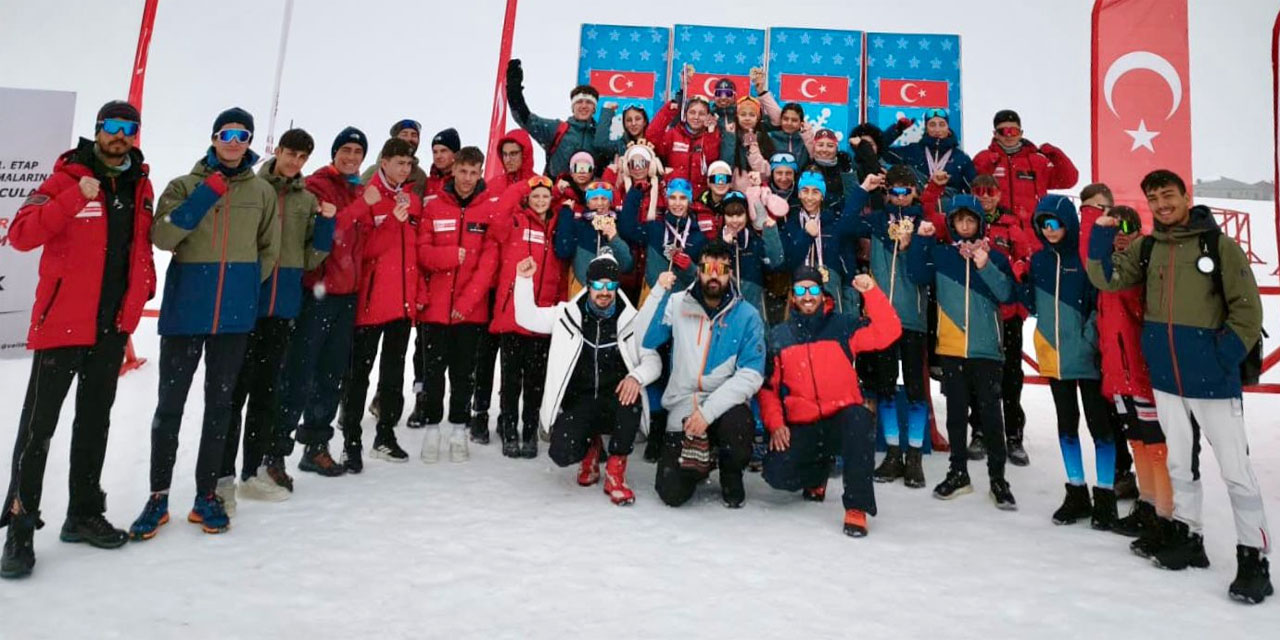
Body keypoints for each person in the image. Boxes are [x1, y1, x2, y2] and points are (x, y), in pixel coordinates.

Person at [1086, 169, 1272, 604]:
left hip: (1213, 383)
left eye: (1168, 195)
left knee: (1235, 471)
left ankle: (1253, 557)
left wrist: (1219, 357)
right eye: (1154, 198)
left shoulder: (1218, 246)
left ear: (1185, 196)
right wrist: (1100, 237)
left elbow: (1248, 312)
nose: (1162, 204)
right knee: (1179, 468)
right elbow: (1108, 279)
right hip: (1167, 382)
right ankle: (1190, 538)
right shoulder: (1149, 247)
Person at [1, 101, 155, 579]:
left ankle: (83, 513)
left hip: (109, 331)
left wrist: (134, 306)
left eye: (128, 128)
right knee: (37, 431)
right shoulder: (64, 178)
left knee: (94, 424)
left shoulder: (139, 185)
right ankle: (20, 531)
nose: (120, 136)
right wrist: (72, 198)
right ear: (97, 131)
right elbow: (21, 235)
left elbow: (140, 251)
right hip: (62, 325)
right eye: (112, 127)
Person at [129, 107, 280, 539]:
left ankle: (205, 495)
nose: (234, 142)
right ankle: (157, 497)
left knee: (220, 407)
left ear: (249, 141)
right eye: (227, 133)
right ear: (214, 138)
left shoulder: (262, 192)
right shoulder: (184, 186)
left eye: (242, 135)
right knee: (170, 408)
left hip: (233, 319)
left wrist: (246, 284)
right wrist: (206, 194)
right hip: (185, 314)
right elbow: (163, 236)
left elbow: (269, 248)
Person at [222, 128, 333, 503]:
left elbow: (310, 257)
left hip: (283, 309)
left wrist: (325, 228)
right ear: (278, 151)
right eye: (291, 154)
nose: (295, 163)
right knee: (235, 396)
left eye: (303, 158)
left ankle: (252, 472)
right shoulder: (254, 189)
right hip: (247, 308)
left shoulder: (306, 199)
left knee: (266, 396)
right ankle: (222, 476)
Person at [760, 267, 901, 537]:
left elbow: (889, 331)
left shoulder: (842, 326)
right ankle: (817, 475)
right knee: (776, 473)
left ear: (822, 293)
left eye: (812, 289)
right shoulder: (779, 335)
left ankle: (857, 508)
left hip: (842, 419)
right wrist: (776, 424)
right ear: (792, 296)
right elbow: (769, 389)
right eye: (800, 290)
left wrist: (871, 292)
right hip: (805, 424)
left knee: (860, 418)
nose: (807, 296)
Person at [515, 251, 662, 504]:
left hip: (616, 399)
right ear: (588, 284)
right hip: (580, 400)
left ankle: (616, 472)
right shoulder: (566, 315)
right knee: (561, 454)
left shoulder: (631, 320)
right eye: (598, 285)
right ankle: (591, 450)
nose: (604, 292)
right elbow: (526, 318)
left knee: (630, 399)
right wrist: (524, 280)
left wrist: (635, 377)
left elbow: (653, 361)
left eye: (610, 285)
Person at [906, 196, 1017, 510]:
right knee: (956, 415)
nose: (965, 227)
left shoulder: (995, 256)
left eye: (971, 221)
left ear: (980, 223)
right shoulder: (943, 255)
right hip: (952, 349)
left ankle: (998, 478)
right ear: (952, 224)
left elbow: (1008, 294)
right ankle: (958, 472)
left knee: (992, 417)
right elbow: (916, 274)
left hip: (986, 351)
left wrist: (985, 267)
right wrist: (921, 241)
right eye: (959, 221)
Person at [839, 168, 944, 488]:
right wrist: (862, 188)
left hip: (912, 320)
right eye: (894, 192)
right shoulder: (877, 220)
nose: (899, 197)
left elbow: (925, 277)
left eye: (905, 191)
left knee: (914, 389)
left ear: (914, 191)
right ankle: (893, 452)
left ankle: (913, 455)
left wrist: (915, 243)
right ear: (886, 194)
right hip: (880, 320)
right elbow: (845, 225)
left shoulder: (925, 222)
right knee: (884, 388)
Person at [642, 240, 766, 508]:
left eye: (721, 268)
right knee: (671, 493)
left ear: (730, 272)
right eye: (708, 267)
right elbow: (647, 339)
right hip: (683, 403)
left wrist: (707, 413)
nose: (714, 274)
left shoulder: (747, 315)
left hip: (724, 404)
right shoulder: (677, 303)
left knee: (738, 427)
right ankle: (701, 460)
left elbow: (751, 375)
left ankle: (731, 473)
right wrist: (658, 293)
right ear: (698, 270)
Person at [1080, 203, 1173, 554]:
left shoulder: (1141, 267)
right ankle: (1148, 507)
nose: (1121, 239)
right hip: (1119, 372)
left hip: (1142, 371)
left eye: (1127, 231)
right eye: (1114, 233)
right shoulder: (1111, 269)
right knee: (1137, 441)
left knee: (1156, 446)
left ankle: (1166, 516)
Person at [279, 126, 371, 477]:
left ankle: (316, 445)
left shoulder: (357, 188)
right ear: (334, 153)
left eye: (357, 152)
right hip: (318, 293)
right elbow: (330, 234)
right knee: (300, 371)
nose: (351, 157)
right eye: (345, 150)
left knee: (331, 374)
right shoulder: (318, 186)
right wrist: (363, 206)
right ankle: (276, 449)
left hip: (346, 296)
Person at [1023, 195, 1117, 530]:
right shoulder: (1039, 261)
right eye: (1043, 224)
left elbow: (1099, 304)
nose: (1049, 231)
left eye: (1055, 224)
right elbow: (1030, 304)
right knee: (1066, 426)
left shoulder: (1084, 257)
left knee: (1100, 428)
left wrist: (1088, 339)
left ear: (1069, 223)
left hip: (1087, 358)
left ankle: (1105, 497)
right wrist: (1019, 278)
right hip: (1054, 357)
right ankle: (1076, 491)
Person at [337, 138, 422, 469]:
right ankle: (351, 441)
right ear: (383, 162)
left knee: (393, 375)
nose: (404, 169)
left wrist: (416, 296)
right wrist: (390, 224)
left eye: (408, 164)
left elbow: (412, 250)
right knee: (359, 374)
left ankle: (385, 436)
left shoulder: (411, 199)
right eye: (398, 162)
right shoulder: (368, 196)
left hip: (401, 304)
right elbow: (363, 250)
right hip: (371, 304)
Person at [415, 146, 501, 461]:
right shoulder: (434, 205)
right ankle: (433, 430)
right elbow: (421, 252)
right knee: (434, 372)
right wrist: (449, 257)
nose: (467, 179)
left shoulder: (488, 208)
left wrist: (466, 303)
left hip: (470, 310)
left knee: (464, 374)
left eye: (473, 172)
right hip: (435, 309)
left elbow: (489, 263)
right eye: (462, 171)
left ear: (480, 174)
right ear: (453, 171)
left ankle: (458, 430)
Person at [951, 173, 1035, 466]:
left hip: (1007, 316)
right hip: (976, 312)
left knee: (1011, 376)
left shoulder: (1012, 226)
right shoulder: (963, 227)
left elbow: (1025, 265)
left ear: (999, 194)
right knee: (977, 376)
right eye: (979, 191)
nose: (986, 197)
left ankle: (1013, 434)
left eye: (991, 192)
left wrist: (1018, 301)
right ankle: (980, 431)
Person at [464, 129, 536, 444]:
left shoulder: (536, 184)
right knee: (484, 355)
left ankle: (514, 418)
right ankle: (479, 413)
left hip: (520, 286)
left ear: (525, 154)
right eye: (504, 154)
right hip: (491, 284)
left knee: (516, 360)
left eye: (514, 153)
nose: (509, 159)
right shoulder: (490, 186)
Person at [487, 177, 564, 457]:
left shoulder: (557, 226)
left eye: (545, 196)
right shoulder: (516, 222)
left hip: (543, 315)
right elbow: (497, 219)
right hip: (514, 314)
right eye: (536, 196)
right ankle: (509, 431)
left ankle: (529, 432)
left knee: (535, 381)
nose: (541, 201)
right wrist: (524, 186)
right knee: (510, 380)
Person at [1078, 183, 1138, 499]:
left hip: (1132, 345)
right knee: (1106, 414)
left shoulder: (1129, 238)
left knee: (1140, 421)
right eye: (1088, 209)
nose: (1096, 214)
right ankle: (1120, 472)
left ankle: (1155, 489)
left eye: (1102, 207)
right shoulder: (1084, 240)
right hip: (1098, 342)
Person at [972, 109, 1078, 224]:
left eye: (1013, 131)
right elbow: (971, 189)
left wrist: (1056, 155)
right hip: (997, 232)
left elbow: (1068, 180)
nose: (1009, 135)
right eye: (1003, 131)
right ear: (995, 134)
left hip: (1033, 233)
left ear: (1021, 133)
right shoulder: (983, 158)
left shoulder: (1037, 161)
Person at [506, 59, 603, 176]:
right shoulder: (557, 129)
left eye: (588, 102)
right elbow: (524, 118)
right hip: (557, 191)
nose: (583, 106)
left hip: (591, 193)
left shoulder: (601, 135)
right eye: (579, 102)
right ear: (573, 107)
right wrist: (513, 86)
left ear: (594, 108)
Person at [783, 171, 859, 316]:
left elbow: (848, 267)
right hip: (801, 292)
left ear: (822, 196)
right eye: (805, 191)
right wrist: (805, 236)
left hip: (830, 287)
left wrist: (851, 306)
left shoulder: (834, 223)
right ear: (798, 194)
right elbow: (789, 262)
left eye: (815, 192)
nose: (809, 197)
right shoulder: (791, 225)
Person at [554, 180, 634, 295]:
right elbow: (563, 251)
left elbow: (627, 266)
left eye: (604, 199)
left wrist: (614, 239)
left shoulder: (619, 224)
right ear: (587, 203)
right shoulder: (579, 224)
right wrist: (566, 215)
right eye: (595, 199)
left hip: (608, 292)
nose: (600, 203)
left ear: (610, 202)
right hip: (581, 288)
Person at [883, 108, 976, 195]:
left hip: (948, 209)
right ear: (926, 129)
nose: (937, 129)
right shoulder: (913, 151)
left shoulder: (961, 158)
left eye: (942, 124)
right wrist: (896, 130)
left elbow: (973, 190)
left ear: (948, 128)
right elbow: (882, 151)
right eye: (932, 125)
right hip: (918, 207)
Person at [646, 94, 720, 199]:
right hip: (675, 196)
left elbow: (711, 160)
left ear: (708, 116)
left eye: (702, 114)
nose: (696, 117)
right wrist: (668, 111)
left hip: (699, 197)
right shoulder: (674, 134)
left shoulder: (711, 136)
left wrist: (711, 133)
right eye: (692, 112)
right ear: (685, 114)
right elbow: (651, 137)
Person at [361, 119, 430, 198]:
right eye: (404, 134)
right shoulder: (373, 172)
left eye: (414, 135)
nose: (409, 138)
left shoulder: (420, 176)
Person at [766, 103, 814, 171]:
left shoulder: (805, 142)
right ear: (780, 120)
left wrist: (807, 134)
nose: (789, 123)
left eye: (794, 120)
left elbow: (814, 159)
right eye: (785, 119)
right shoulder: (770, 138)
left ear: (801, 123)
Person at [426, 128, 460, 196]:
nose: (438, 156)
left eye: (443, 151)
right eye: (435, 152)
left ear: (455, 153)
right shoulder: (425, 184)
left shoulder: (465, 182)